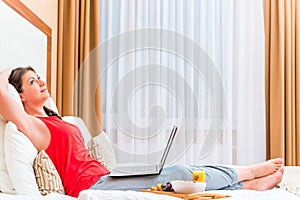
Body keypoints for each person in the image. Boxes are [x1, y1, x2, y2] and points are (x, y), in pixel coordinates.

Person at [0, 66, 284, 198]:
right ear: (20, 94)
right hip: (90, 188)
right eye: (32, 81)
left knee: (183, 171)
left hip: (106, 177)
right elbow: (2, 96)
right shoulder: (31, 125)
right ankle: (246, 175)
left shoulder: (60, 119)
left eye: (40, 77)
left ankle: (242, 187)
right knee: (180, 173)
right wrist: (8, 76)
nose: (41, 82)